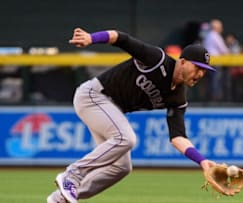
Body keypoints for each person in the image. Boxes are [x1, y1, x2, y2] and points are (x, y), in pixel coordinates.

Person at [46, 28, 217, 203]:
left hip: (109, 108)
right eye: (198, 67)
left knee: (121, 167)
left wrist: (202, 161)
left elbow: (178, 137)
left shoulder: (178, 97)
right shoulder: (157, 60)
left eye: (204, 71)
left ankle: (61, 198)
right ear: (182, 61)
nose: (200, 74)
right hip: (93, 95)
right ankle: (72, 176)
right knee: (126, 138)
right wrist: (91, 38)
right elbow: (121, 38)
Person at [202, 19, 230, 101]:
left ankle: (211, 99)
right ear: (216, 27)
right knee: (216, 81)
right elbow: (224, 50)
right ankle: (215, 100)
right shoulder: (215, 35)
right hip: (215, 62)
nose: (221, 28)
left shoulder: (208, 35)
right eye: (220, 26)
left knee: (211, 81)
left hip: (208, 62)